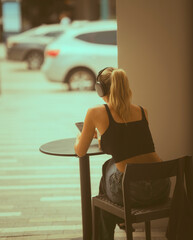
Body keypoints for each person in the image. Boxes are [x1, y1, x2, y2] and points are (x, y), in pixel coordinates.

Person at [74, 67, 171, 240]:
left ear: (100, 89)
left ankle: (109, 229)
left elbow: (80, 151)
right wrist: (104, 139)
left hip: (131, 192)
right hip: (161, 187)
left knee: (107, 174)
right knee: (111, 166)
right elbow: (132, 145)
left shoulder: (95, 112)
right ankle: (122, 221)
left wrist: (80, 136)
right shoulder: (142, 111)